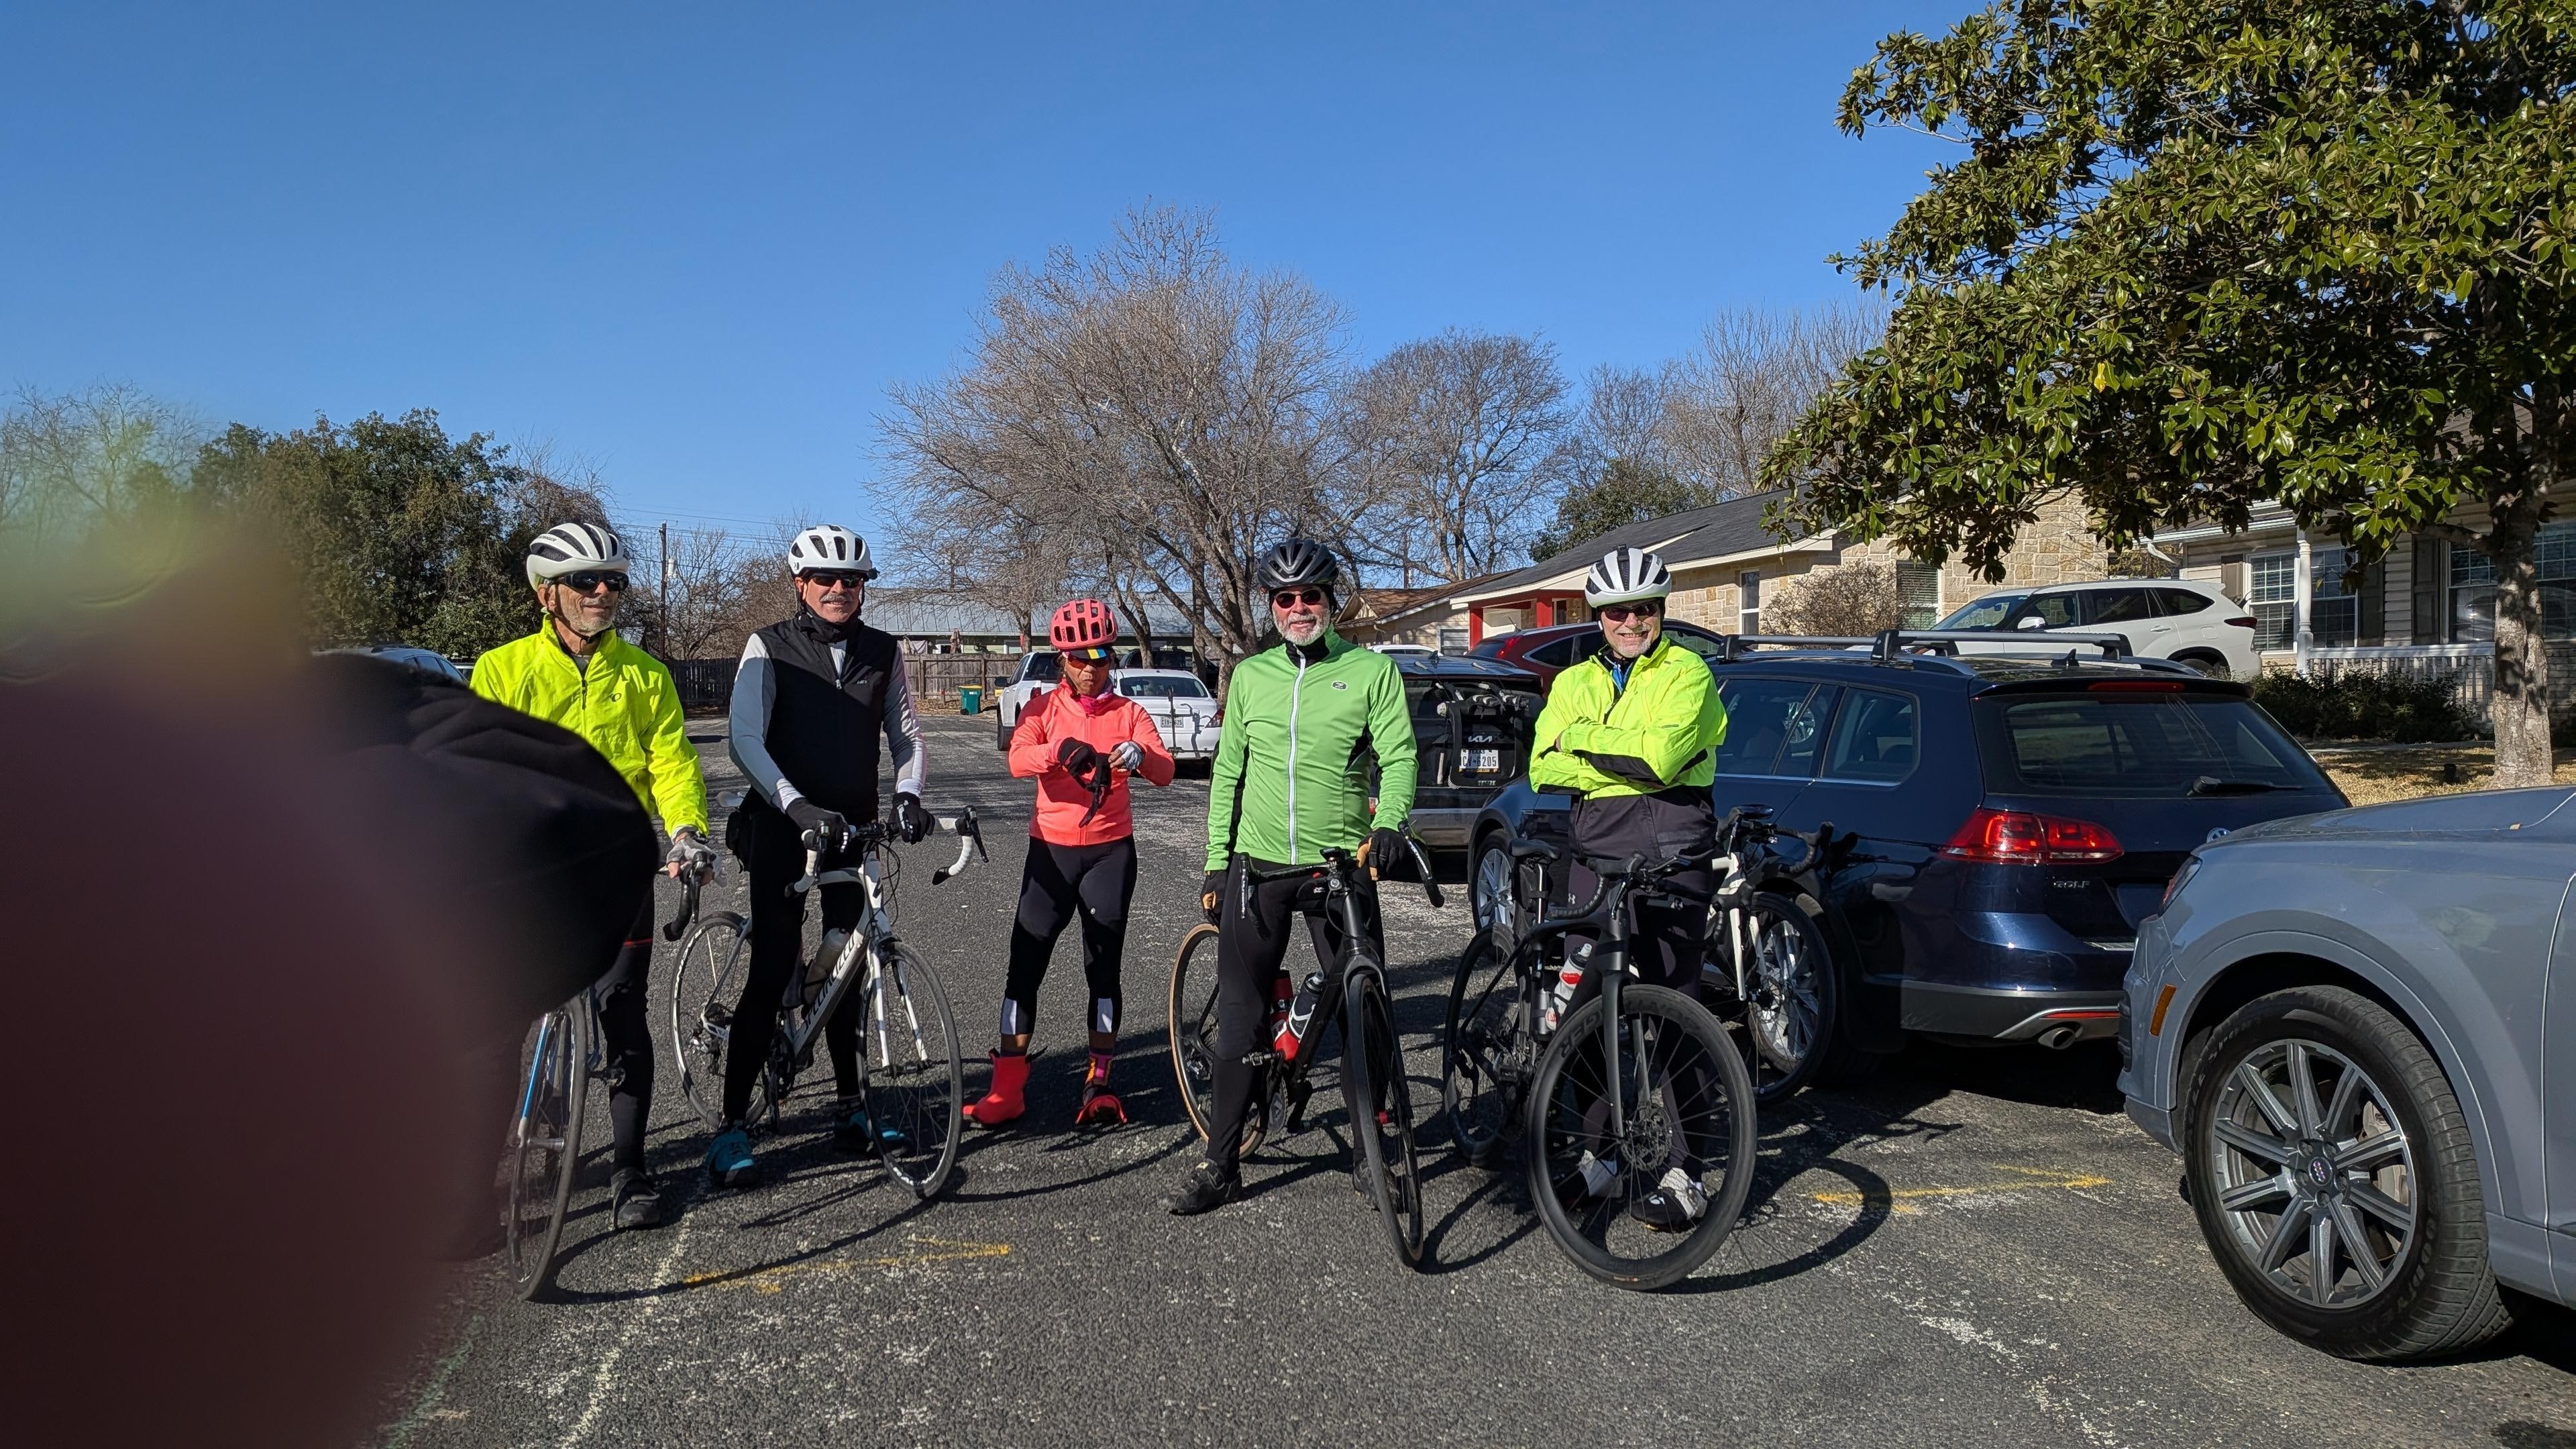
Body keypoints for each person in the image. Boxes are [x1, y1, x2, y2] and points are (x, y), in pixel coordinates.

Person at [468, 521, 714, 1231]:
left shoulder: (644, 674)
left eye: (614, 581)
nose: (604, 592)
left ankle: (631, 1172)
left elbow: (671, 762)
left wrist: (687, 833)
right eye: (586, 582)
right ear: (549, 595)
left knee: (622, 1015)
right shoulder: (502, 668)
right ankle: (475, 1189)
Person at [1163, 539, 1418, 1216]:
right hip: (1261, 865)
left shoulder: (1369, 673)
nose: (1298, 608)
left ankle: (1373, 1153)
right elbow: (1229, 775)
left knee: (1367, 1011)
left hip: (1342, 863)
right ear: (1271, 607)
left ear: (1332, 602)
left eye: (1311, 597)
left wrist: (1389, 825)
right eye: (1285, 598)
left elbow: (1398, 757)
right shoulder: (1251, 677)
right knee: (1241, 1021)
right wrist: (1218, 859)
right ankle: (1219, 1166)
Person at [708, 523, 930, 1187]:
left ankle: (849, 1109)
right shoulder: (768, 647)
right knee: (773, 961)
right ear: (800, 584)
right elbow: (744, 739)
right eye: (826, 580)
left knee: (851, 964)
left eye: (853, 581)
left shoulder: (883, 652)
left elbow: (908, 736)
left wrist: (911, 794)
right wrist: (795, 807)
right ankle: (731, 1128)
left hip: (854, 829)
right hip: (783, 828)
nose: (839, 589)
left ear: (865, 588)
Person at [1525, 545, 1729, 1229]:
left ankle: (1685, 1169)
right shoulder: (1571, 680)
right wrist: (1610, 752)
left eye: (1643, 609)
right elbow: (1541, 767)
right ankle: (1602, 1157)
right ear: (1599, 614)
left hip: (1673, 848)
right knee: (1588, 1010)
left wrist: (1581, 746)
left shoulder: (1688, 672)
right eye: (1618, 611)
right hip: (1592, 850)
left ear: (1660, 611)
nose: (1631, 621)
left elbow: (1664, 758)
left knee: (1677, 1007)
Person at [962, 598, 1176, 1128]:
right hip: (1050, 854)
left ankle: (1099, 1082)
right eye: (1078, 657)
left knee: (1103, 968)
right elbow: (1016, 759)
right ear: (1061, 660)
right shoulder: (1040, 709)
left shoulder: (1131, 713)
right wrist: (1059, 750)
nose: (1089, 667)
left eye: (1100, 656)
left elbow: (1166, 772)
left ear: (1112, 659)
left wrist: (1138, 756)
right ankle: (1007, 1087)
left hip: (1109, 853)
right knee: (1024, 965)